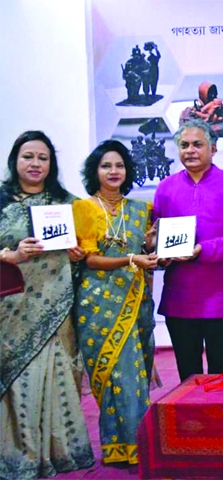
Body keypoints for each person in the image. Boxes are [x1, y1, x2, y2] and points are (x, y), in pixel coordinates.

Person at [0, 131, 94, 478]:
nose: (35, 164)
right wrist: (11, 254)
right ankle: (19, 455)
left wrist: (78, 254)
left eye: (43, 158)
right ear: (15, 160)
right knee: (18, 383)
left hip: (56, 312)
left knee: (56, 380)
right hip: (11, 313)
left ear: (51, 163)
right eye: (28, 157)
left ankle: (59, 452)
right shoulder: (0, 200)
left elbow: (85, 255)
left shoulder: (67, 204)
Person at [71, 140, 157, 465]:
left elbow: (146, 250)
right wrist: (131, 258)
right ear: (95, 171)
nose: (113, 171)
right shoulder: (84, 208)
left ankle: (132, 448)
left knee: (137, 374)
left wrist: (151, 246)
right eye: (106, 165)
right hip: (97, 305)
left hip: (136, 303)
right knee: (118, 376)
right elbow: (90, 260)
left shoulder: (139, 209)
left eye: (119, 165)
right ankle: (125, 449)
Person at [151, 119, 223, 381]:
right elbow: (158, 234)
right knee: (188, 375)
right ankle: (188, 423)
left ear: (213, 148)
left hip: (219, 295)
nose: (190, 151)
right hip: (179, 297)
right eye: (184, 145)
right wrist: (154, 246)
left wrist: (202, 249)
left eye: (197, 144)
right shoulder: (166, 188)